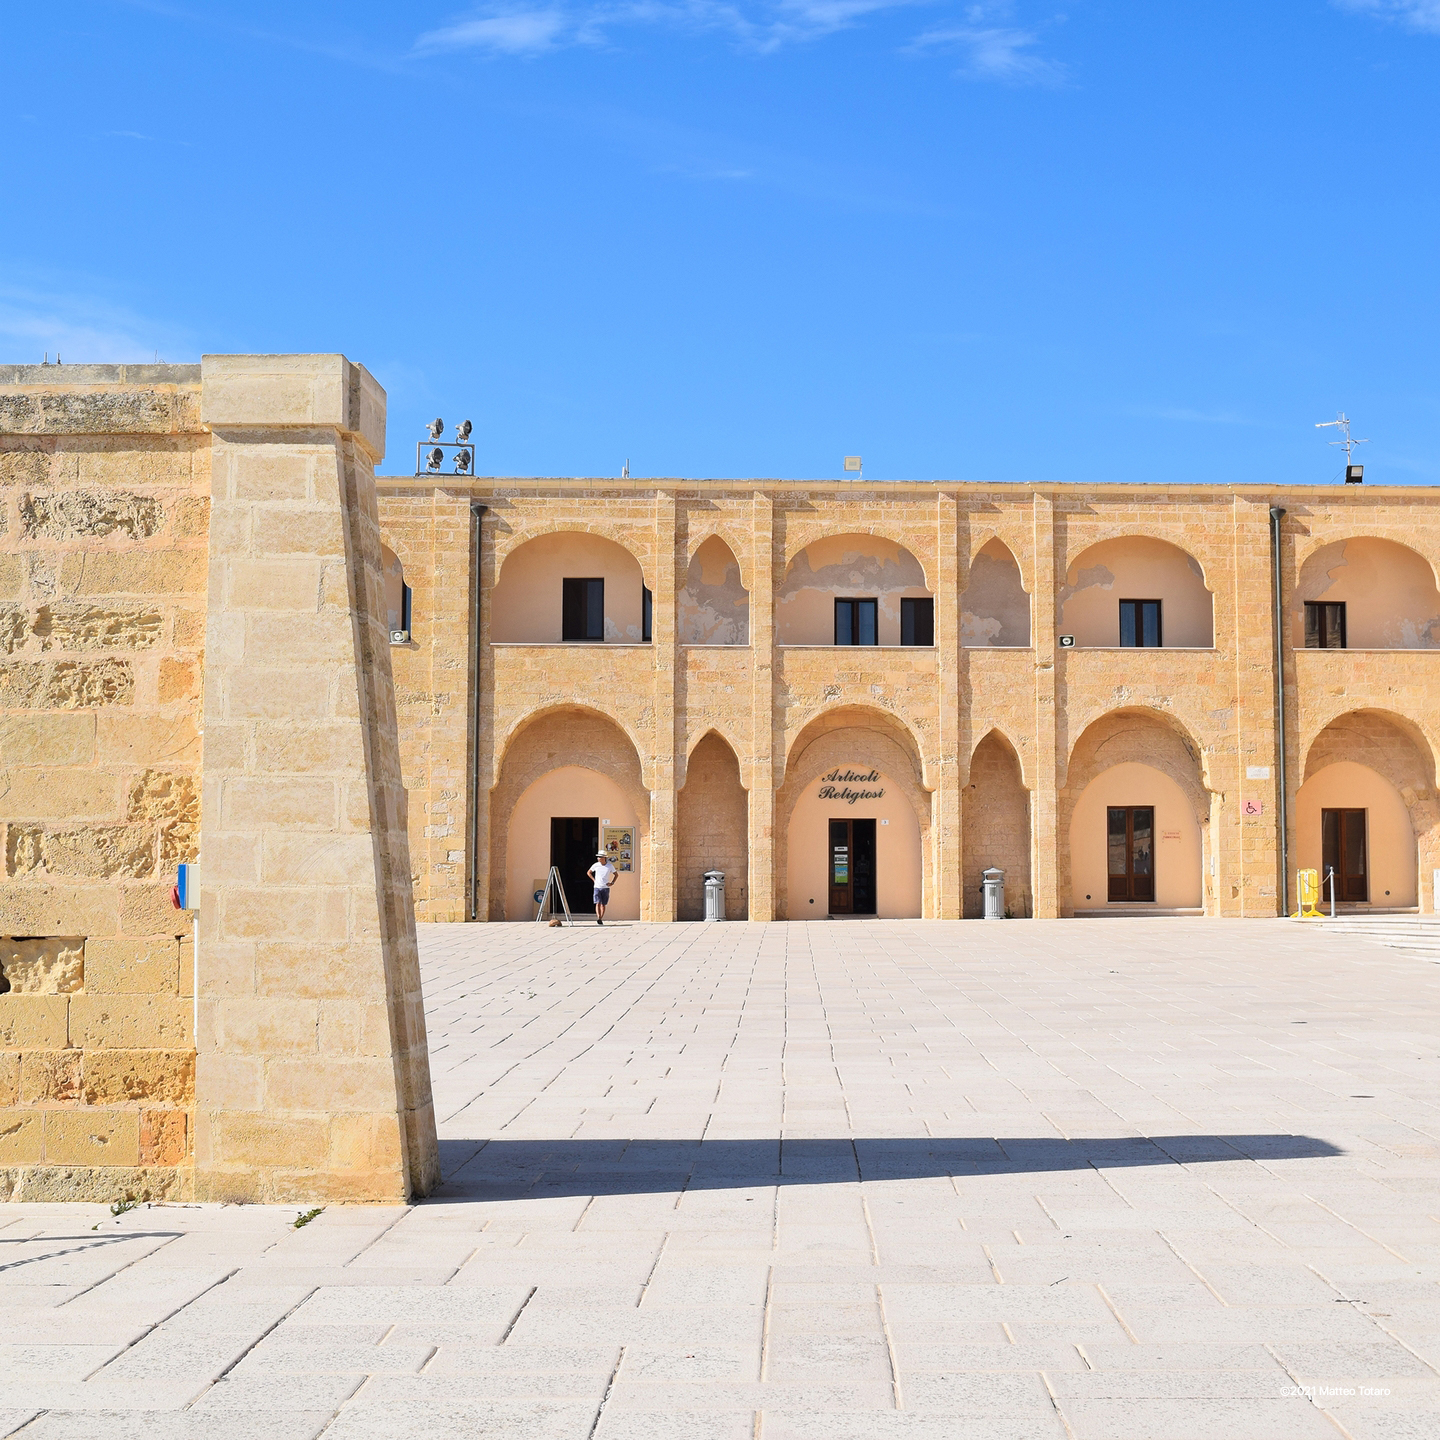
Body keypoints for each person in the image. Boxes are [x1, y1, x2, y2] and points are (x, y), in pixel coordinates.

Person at [588, 850, 618, 925]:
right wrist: (594, 880)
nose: (598, 858)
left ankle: (601, 917)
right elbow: (589, 872)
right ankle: (598, 917)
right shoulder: (596, 865)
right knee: (597, 902)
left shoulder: (609, 866)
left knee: (603, 904)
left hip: (605, 887)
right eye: (598, 857)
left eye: (600, 857)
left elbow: (616, 874)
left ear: (604, 858)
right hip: (597, 887)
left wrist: (612, 883)